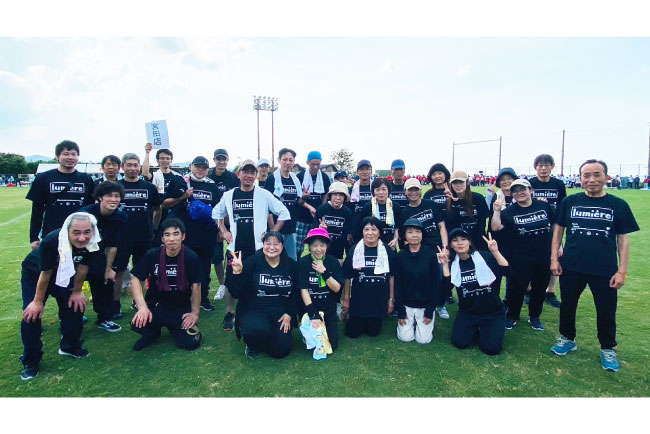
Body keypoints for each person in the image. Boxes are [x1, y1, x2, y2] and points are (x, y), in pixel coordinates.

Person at [550, 159, 639, 372]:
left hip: (604, 268)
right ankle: (567, 338)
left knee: (606, 309)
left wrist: (622, 271)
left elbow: (623, 239)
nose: (591, 179)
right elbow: (558, 231)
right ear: (580, 179)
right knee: (568, 304)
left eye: (597, 174)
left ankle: (607, 348)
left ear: (606, 177)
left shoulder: (618, 205)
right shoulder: (570, 202)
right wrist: (554, 259)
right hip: (572, 265)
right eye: (586, 175)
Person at [19, 212, 102, 380]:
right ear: (67, 231)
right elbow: (45, 273)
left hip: (66, 273)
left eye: (87, 232)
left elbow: (83, 267)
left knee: (74, 307)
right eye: (76, 233)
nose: (82, 238)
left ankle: (69, 346)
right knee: (31, 315)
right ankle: (31, 360)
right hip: (36, 274)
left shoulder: (94, 241)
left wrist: (77, 292)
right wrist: (37, 302)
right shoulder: (52, 241)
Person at [213, 159, 291, 332]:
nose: (249, 175)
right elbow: (216, 213)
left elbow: (284, 213)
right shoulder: (229, 195)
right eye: (245, 172)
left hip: (258, 249)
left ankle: (254, 310)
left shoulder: (264, 194)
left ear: (256, 175)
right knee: (231, 281)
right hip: (236, 249)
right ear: (238, 174)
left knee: (256, 280)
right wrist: (224, 231)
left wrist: (272, 233)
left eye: (252, 172)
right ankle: (229, 313)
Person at [130, 218, 203, 351]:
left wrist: (194, 313)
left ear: (183, 236)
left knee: (190, 342)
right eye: (167, 235)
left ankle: (174, 327)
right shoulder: (152, 255)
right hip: (157, 304)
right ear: (162, 239)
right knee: (138, 324)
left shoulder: (191, 257)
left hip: (179, 308)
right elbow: (135, 279)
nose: (171, 239)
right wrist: (142, 307)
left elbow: (196, 286)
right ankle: (152, 334)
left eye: (176, 234)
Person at [491, 179, 554, 331]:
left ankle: (535, 316)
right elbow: (495, 227)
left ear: (530, 190)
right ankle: (512, 315)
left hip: (543, 255)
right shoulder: (509, 211)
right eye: (515, 191)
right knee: (517, 288)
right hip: (521, 256)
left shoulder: (543, 206)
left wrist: (558, 247)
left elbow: (554, 226)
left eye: (522, 189)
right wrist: (497, 210)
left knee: (540, 287)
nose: (519, 193)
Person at [228, 231, 300, 359]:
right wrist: (238, 274)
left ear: (282, 246)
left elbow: (296, 293)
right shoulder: (252, 262)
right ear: (263, 245)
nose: (271, 247)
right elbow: (237, 292)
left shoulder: (291, 265)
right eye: (268, 243)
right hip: (255, 309)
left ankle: (270, 337)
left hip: (280, 312)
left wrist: (289, 313)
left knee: (280, 350)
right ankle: (252, 344)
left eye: (276, 244)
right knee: (257, 329)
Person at [440, 229, 509, 356]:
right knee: (460, 343)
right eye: (455, 240)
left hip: (492, 312)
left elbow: (508, 272)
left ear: (470, 242)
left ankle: (487, 329)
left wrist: (495, 251)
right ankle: (475, 328)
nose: (460, 243)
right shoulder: (454, 264)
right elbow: (447, 287)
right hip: (468, 312)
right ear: (451, 245)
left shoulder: (485, 257)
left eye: (463, 239)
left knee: (491, 349)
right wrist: (444, 264)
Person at [163, 156, 220, 312]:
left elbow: (218, 209)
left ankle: (203, 298)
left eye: (204, 167)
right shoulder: (181, 181)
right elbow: (165, 203)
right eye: (197, 166)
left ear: (208, 170)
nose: (200, 170)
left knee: (205, 269)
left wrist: (220, 230)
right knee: (184, 267)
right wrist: (183, 196)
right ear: (191, 166)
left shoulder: (211, 185)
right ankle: (183, 299)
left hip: (206, 235)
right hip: (186, 236)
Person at [113, 153, 162, 312]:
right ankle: (115, 304)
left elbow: (157, 208)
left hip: (144, 236)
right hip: (121, 237)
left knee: (141, 270)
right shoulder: (116, 186)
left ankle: (138, 301)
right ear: (123, 167)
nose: (133, 168)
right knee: (118, 271)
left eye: (135, 165)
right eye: (129, 165)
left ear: (140, 166)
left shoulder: (149, 187)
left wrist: (154, 228)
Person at [26, 140, 95, 251]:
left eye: (74, 154)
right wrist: (33, 237)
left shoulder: (86, 179)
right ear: (57, 157)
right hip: (52, 233)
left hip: (79, 236)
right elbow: (37, 210)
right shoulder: (43, 178)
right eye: (66, 154)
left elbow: (91, 209)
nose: (70, 157)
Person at [398, 178, 449, 318]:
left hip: (437, 249)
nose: (413, 192)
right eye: (410, 190)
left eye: (416, 189)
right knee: (421, 280)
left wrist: (445, 247)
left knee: (439, 279)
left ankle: (441, 305)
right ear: (405, 192)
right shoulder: (405, 212)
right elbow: (404, 236)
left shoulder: (431, 205)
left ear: (420, 190)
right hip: (419, 251)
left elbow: (442, 226)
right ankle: (421, 306)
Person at [80, 181, 127, 327]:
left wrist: (108, 269)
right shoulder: (85, 215)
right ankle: (72, 317)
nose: (113, 199)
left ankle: (104, 319)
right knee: (72, 285)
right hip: (79, 254)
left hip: (98, 254)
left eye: (117, 196)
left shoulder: (120, 217)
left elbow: (113, 245)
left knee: (105, 282)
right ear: (100, 197)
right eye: (109, 196)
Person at [342, 216, 397, 338]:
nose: (370, 233)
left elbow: (392, 276)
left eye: (373, 229)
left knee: (373, 333)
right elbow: (347, 276)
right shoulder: (354, 250)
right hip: (359, 299)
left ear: (379, 233)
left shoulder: (387, 251)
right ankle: (349, 316)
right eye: (366, 229)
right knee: (352, 334)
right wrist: (346, 299)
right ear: (362, 232)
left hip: (378, 299)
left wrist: (391, 299)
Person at [528, 154, 566, 308]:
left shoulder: (558, 184)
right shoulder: (530, 183)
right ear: (535, 167)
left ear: (552, 166)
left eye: (546, 165)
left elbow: (562, 207)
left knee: (555, 256)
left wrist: (560, 239)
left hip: (553, 226)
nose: (543, 168)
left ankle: (550, 291)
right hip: (534, 225)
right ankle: (529, 290)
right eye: (540, 165)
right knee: (531, 257)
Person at [394, 219, 440, 344]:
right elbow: (397, 285)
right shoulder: (400, 256)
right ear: (404, 235)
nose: (414, 235)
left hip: (425, 304)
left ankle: (424, 323)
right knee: (405, 338)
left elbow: (436, 284)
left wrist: (430, 310)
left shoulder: (430, 255)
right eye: (410, 232)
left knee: (423, 340)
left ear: (422, 234)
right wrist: (400, 310)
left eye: (418, 232)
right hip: (406, 304)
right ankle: (412, 322)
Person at [298, 228, 345, 351]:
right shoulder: (303, 262)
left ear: (326, 246)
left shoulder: (333, 262)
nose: (318, 249)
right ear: (309, 247)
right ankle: (306, 325)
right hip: (310, 306)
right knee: (314, 344)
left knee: (331, 345)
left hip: (328, 306)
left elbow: (337, 288)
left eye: (322, 245)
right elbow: (303, 289)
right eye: (315, 246)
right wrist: (313, 313)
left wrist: (324, 272)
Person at [207, 148, 241, 302]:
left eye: (224, 159)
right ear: (214, 160)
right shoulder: (209, 177)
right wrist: (220, 227)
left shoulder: (232, 177)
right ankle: (222, 284)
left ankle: (237, 283)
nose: (221, 162)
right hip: (214, 220)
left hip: (233, 221)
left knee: (236, 251)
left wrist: (228, 222)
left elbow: (237, 198)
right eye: (218, 159)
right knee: (216, 255)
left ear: (227, 160)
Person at [485, 167, 516, 304]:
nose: (506, 182)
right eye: (502, 179)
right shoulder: (495, 197)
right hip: (496, 242)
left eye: (509, 178)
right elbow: (493, 223)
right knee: (494, 273)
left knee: (512, 274)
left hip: (515, 242)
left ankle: (509, 302)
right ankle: (494, 303)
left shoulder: (520, 196)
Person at [264, 148, 302, 260]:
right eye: (285, 159)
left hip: (291, 227)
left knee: (291, 259)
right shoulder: (272, 179)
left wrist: (305, 200)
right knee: (274, 258)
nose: (288, 162)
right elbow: (267, 206)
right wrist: (273, 229)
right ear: (279, 160)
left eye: (291, 160)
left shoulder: (295, 180)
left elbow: (297, 201)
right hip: (276, 227)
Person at [296, 151, 331, 256]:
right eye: (313, 164)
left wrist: (320, 210)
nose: (315, 167)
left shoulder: (324, 177)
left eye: (318, 164)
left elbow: (325, 195)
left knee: (318, 246)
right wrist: (309, 206)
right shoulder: (300, 176)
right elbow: (297, 199)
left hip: (317, 217)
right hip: (302, 217)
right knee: (298, 248)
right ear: (307, 163)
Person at [445, 170, 489, 252]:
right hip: (460, 243)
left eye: (461, 182)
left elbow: (482, 222)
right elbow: (452, 225)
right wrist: (455, 204)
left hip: (478, 241)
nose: (458, 185)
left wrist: (475, 241)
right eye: (455, 183)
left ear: (467, 182)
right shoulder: (449, 202)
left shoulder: (478, 198)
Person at [355, 178, 401, 249]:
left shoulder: (395, 206)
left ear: (388, 190)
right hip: (372, 243)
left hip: (390, 243)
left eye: (384, 189)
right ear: (373, 191)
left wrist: (395, 239)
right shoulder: (368, 206)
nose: (381, 192)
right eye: (377, 190)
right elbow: (362, 227)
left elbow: (397, 226)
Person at [314, 181, 354, 263]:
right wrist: (320, 230)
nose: (338, 198)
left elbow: (347, 234)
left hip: (338, 251)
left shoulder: (347, 212)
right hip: (322, 250)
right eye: (335, 194)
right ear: (330, 196)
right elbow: (314, 230)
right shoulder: (321, 209)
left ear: (345, 198)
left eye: (341, 195)